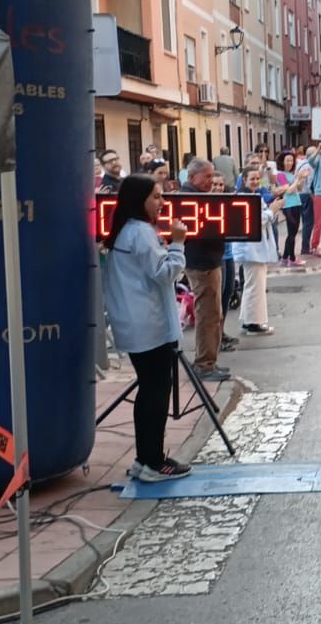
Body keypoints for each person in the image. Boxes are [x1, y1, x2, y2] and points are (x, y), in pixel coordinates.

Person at [101, 174, 192, 482]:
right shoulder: (140, 233)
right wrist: (178, 245)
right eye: (156, 197)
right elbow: (165, 274)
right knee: (156, 392)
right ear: (139, 200)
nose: (162, 202)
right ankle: (154, 461)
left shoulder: (127, 231)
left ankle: (146, 458)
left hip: (137, 323)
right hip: (149, 326)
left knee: (149, 390)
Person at [180, 158, 232, 381]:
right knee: (207, 315)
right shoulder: (187, 200)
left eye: (213, 176)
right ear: (193, 178)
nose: (212, 181)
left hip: (211, 261)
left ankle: (210, 360)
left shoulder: (204, 197)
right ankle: (204, 365)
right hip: (200, 264)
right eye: (207, 176)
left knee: (214, 314)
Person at [234, 167, 285, 335]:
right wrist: (273, 210)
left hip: (256, 248)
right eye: (252, 179)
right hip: (250, 249)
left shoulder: (254, 196)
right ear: (244, 181)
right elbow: (256, 220)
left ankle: (248, 319)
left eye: (257, 178)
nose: (255, 182)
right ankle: (253, 323)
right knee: (254, 286)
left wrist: (272, 210)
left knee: (254, 285)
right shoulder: (244, 198)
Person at [277, 152, 305, 268]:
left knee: (293, 231)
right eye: (287, 160)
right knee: (292, 232)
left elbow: (299, 188)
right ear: (282, 162)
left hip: (296, 203)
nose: (289, 163)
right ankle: (292, 258)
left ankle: (285, 258)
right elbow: (288, 191)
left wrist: (302, 178)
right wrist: (297, 179)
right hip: (288, 205)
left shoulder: (291, 174)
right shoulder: (280, 175)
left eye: (291, 161)